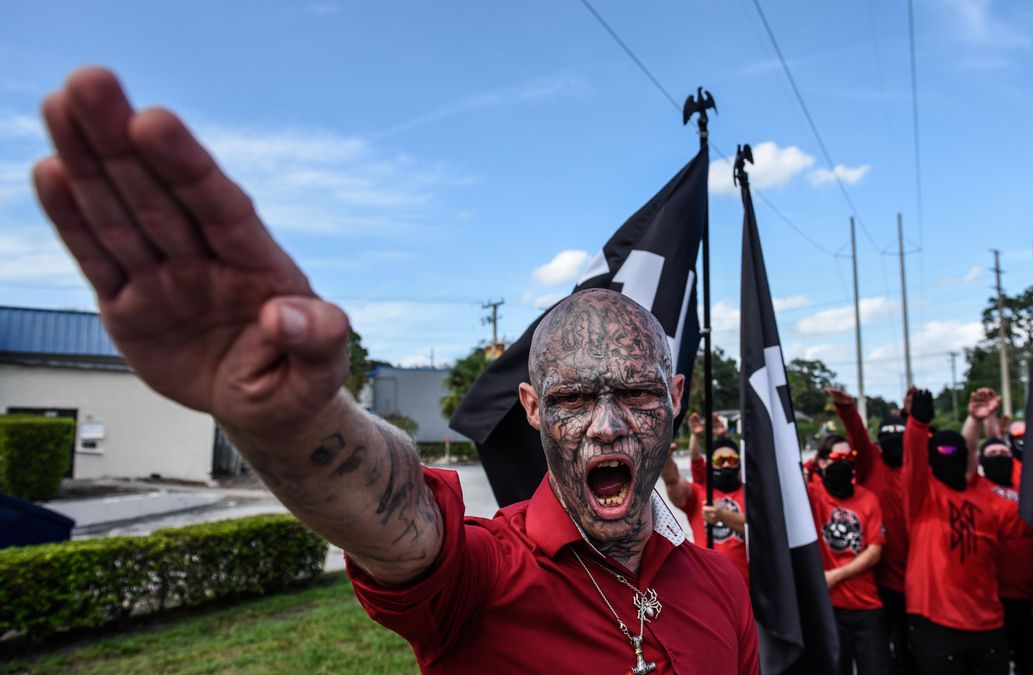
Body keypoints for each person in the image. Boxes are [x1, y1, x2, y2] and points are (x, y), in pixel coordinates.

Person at [33, 67, 758, 674]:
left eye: (633, 393)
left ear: (675, 396)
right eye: (574, 398)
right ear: (532, 408)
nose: (606, 425)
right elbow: (395, 520)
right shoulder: (482, 577)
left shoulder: (724, 590)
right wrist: (291, 420)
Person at [902, 388, 1019, 675]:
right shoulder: (923, 495)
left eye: (957, 454)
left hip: (988, 622)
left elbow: (962, 453)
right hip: (937, 623)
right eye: (942, 454)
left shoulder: (984, 493)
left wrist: (975, 420)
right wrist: (917, 423)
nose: (950, 458)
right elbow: (916, 458)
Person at [828, 387, 914, 675]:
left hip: (917, 580)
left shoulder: (918, 469)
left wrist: (911, 415)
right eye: (886, 434)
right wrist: (847, 410)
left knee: (911, 653)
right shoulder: (872, 462)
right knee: (879, 655)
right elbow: (859, 440)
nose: (893, 440)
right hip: (879, 582)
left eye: (899, 434)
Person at [808, 444, 892, 675]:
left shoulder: (868, 499)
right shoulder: (813, 494)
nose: (843, 462)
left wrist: (834, 576)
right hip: (829, 609)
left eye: (849, 457)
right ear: (823, 461)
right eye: (837, 457)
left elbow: (875, 551)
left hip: (866, 606)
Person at [661, 412, 748, 582]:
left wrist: (723, 515)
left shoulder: (750, 494)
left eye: (731, 459)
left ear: (739, 462)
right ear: (711, 463)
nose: (725, 464)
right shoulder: (700, 493)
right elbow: (672, 480)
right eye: (720, 459)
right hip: (708, 586)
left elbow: (759, 530)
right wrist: (664, 457)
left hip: (748, 588)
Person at [977, 436, 1033, 675]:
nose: (999, 458)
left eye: (1003, 453)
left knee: (1029, 657)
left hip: (1030, 591)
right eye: (992, 455)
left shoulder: (1024, 485)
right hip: (994, 594)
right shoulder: (977, 488)